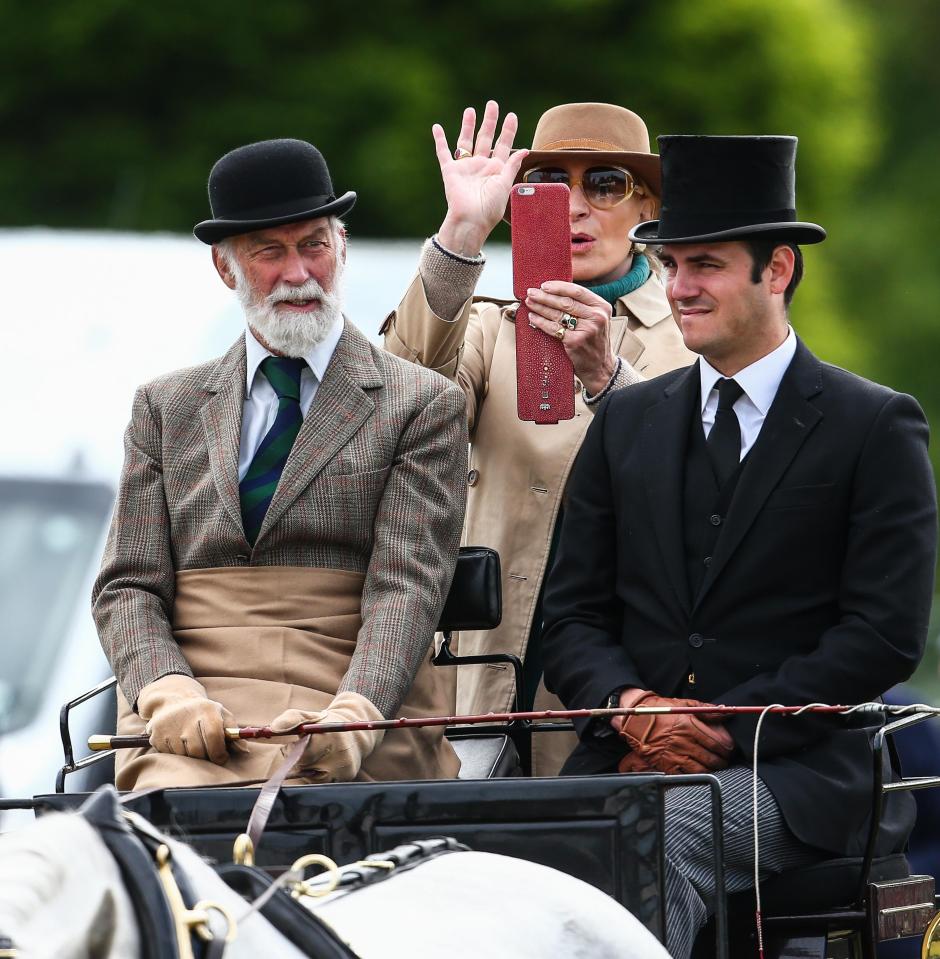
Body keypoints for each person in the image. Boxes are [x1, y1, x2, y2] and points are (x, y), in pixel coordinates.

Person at [540, 135, 938, 957]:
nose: (679, 288)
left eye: (706, 265)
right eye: (672, 264)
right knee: (495, 849)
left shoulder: (874, 425)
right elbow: (569, 615)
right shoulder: (626, 418)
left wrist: (725, 727)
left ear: (779, 269)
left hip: (801, 774)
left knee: (647, 836)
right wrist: (635, 708)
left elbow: (883, 634)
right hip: (628, 757)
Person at [92, 138, 467, 790]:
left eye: (314, 245)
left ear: (342, 247)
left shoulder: (421, 403)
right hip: (194, 720)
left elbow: (407, 587)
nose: (298, 273)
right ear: (225, 267)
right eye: (270, 252)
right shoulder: (164, 406)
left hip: (352, 702)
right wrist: (165, 689)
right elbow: (127, 586)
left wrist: (357, 716)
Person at [382, 101, 694, 775]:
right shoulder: (494, 328)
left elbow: (708, 482)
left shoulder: (692, 333)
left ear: (645, 207)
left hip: (623, 702)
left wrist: (611, 376)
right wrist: (461, 235)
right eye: (549, 183)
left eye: (604, 183)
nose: (575, 205)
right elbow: (392, 407)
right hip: (474, 685)